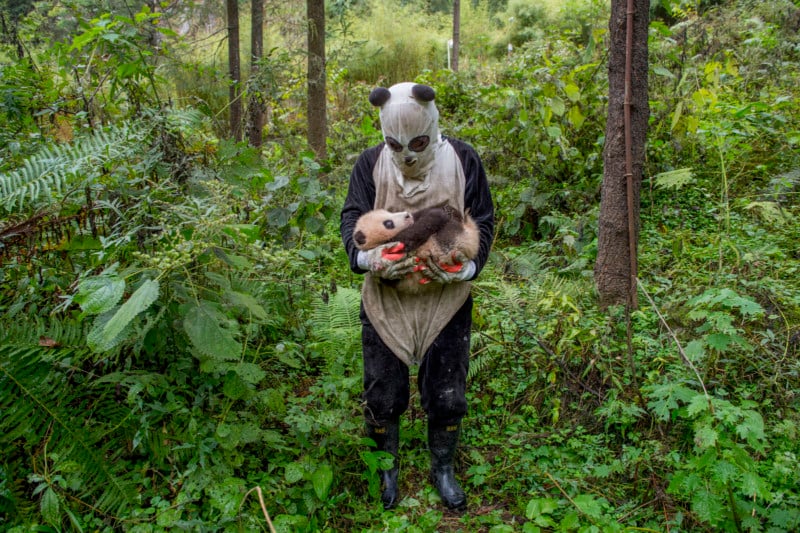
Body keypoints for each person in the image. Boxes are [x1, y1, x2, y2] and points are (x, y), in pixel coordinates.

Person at [340, 82, 494, 511]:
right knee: (382, 393)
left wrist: (469, 266)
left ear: (432, 124)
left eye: (418, 143)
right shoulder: (370, 163)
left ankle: (442, 467)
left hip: (446, 302)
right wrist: (367, 260)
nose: (406, 154)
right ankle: (387, 469)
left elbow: (482, 216)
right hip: (386, 300)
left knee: (448, 393)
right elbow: (352, 217)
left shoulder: (464, 159)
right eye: (395, 144)